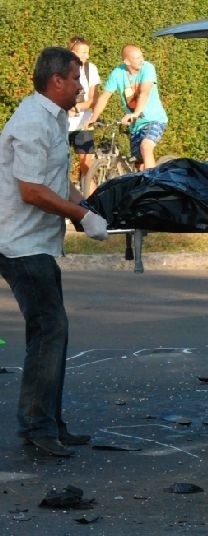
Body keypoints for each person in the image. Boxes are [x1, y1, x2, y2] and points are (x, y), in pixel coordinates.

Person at [0, 47, 109, 457]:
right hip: (20, 244)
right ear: (55, 81)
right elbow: (31, 191)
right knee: (50, 331)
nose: (82, 85)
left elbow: (55, 182)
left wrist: (88, 209)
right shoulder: (31, 121)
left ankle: (47, 423)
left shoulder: (53, 117)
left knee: (49, 333)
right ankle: (38, 427)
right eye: (76, 77)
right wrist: (80, 215)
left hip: (34, 243)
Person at [88, 43, 168, 169]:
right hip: (136, 126)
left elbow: (144, 93)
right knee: (139, 165)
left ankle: (153, 186)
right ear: (127, 61)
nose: (142, 60)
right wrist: (93, 118)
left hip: (155, 119)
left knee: (146, 147)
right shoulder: (117, 73)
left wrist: (135, 113)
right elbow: (104, 97)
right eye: (137, 58)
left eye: (142, 56)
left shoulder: (148, 68)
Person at [66, 36, 102, 193]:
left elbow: (94, 99)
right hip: (63, 124)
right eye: (83, 53)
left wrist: (78, 107)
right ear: (71, 52)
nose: (86, 56)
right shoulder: (60, 69)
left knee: (87, 166)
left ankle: (94, 204)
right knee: (60, 166)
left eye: (88, 52)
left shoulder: (90, 69)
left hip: (84, 123)